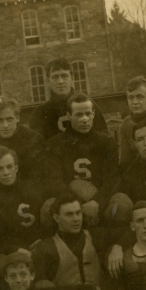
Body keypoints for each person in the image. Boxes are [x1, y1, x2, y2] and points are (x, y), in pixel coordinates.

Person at [43, 93, 118, 223]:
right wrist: (75, 204)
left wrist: (96, 202)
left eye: (88, 114)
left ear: (94, 114)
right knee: (48, 206)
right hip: (68, 203)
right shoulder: (55, 144)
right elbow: (54, 181)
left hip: (99, 202)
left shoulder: (107, 142)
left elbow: (112, 179)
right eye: (78, 115)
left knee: (121, 203)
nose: (84, 119)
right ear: (68, 115)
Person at [0, 145, 46, 254]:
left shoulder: (33, 188)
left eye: (9, 166)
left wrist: (43, 241)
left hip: (39, 246)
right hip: (11, 252)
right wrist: (15, 250)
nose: (6, 173)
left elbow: (46, 223)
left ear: (16, 167)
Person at [27, 57, 109, 141]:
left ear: (72, 78)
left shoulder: (88, 105)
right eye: (55, 77)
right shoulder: (40, 113)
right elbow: (36, 146)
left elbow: (104, 138)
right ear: (48, 81)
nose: (60, 81)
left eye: (64, 76)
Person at [0, 97, 44, 180]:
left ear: (17, 118)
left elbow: (39, 174)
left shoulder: (33, 138)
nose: (5, 125)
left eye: (9, 119)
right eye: (0, 120)